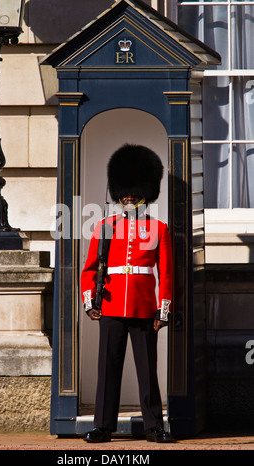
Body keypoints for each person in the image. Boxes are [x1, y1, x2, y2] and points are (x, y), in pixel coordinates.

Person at [81, 144, 173, 444]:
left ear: (145, 193)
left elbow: (167, 273)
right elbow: (90, 269)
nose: (129, 197)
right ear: (119, 194)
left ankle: (153, 426)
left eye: (134, 192)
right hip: (110, 305)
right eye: (125, 193)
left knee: (148, 370)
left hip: (145, 306)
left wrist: (164, 309)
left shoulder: (159, 229)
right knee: (108, 369)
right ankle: (104, 426)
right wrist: (89, 302)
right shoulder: (106, 227)